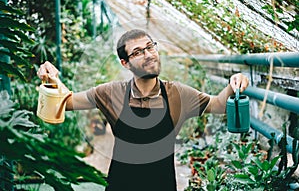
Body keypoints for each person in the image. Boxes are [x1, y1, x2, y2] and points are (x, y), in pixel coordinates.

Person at [37, 29, 249, 191]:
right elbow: (68, 101)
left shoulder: (177, 94)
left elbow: (218, 105)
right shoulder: (111, 93)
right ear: (125, 63)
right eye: (138, 52)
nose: (148, 55)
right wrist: (52, 79)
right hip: (120, 185)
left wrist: (233, 85)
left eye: (150, 47)